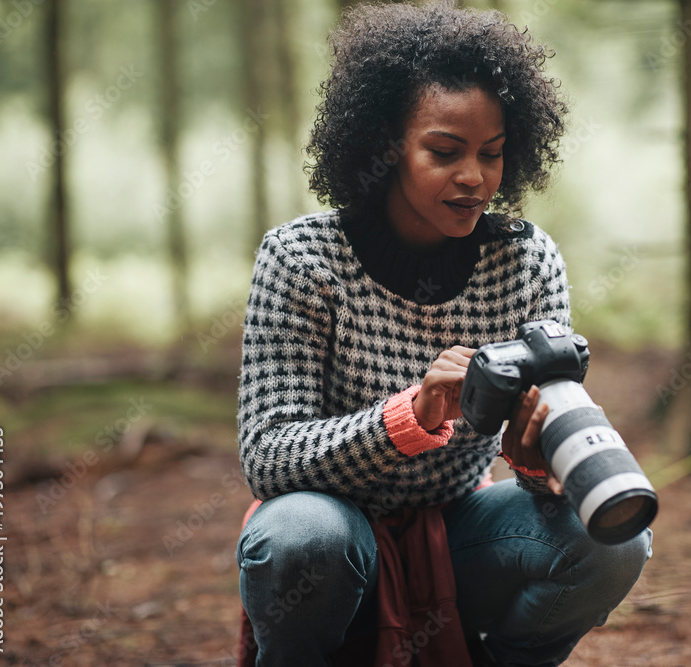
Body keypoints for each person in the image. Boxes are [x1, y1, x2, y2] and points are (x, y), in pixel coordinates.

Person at [235, 2, 653, 665]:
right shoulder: (302, 258)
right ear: (382, 145)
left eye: (492, 154)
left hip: (460, 533)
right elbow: (267, 452)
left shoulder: (526, 260)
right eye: (444, 151)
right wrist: (410, 415)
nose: (475, 177)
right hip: (331, 539)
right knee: (301, 535)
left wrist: (539, 465)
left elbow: (547, 468)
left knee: (613, 541)